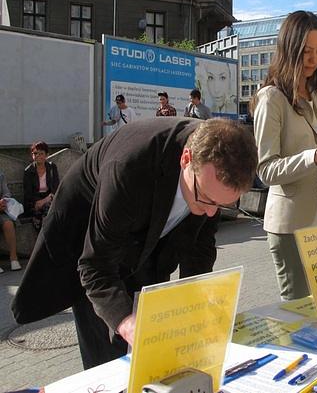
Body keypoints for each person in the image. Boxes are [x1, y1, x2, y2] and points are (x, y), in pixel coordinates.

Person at [11, 117, 257, 369]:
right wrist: (126, 322)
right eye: (205, 198)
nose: (210, 213)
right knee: (112, 354)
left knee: (155, 349)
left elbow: (199, 247)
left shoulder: (211, 178)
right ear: (186, 159)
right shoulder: (131, 166)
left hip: (144, 241)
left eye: (221, 205)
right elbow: (96, 267)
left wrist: (196, 306)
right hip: (90, 244)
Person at [252, 10, 317, 301]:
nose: (313, 59)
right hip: (291, 224)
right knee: (301, 313)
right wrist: (316, 157)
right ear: (289, 48)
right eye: (307, 51)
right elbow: (266, 170)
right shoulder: (271, 98)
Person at [23, 141, 60, 231]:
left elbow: (56, 188)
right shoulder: (28, 171)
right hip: (34, 202)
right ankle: (45, 238)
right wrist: (37, 202)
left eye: (41, 153)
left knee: (50, 210)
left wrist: (45, 200)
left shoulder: (52, 168)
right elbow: (28, 194)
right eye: (35, 153)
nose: (38, 156)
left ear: (46, 155)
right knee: (44, 212)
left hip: (49, 198)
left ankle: (46, 238)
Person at [0, 171, 21, 272]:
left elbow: (6, 192)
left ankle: (14, 258)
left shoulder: (1, 174)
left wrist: (4, 200)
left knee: (8, 223)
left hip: (1, 209)